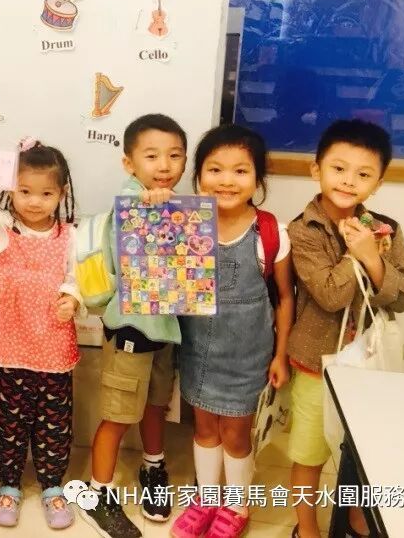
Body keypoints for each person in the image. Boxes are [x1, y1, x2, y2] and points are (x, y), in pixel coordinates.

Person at [286, 120, 404, 538]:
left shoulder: (386, 229)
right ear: (317, 170)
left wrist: (373, 257)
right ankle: (306, 526)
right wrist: (355, 255)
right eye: (339, 168)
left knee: (362, 450)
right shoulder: (302, 230)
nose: (348, 181)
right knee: (309, 453)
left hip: (368, 362)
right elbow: (329, 295)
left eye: (363, 174)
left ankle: (358, 521)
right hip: (315, 363)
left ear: (377, 183)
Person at [171, 125, 295, 538]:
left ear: (258, 179)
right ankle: (207, 500)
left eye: (240, 171)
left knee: (236, 435)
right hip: (197, 350)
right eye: (215, 169)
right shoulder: (183, 223)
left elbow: (285, 298)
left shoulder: (271, 233)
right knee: (204, 429)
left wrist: (280, 356)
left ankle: (237, 506)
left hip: (247, 357)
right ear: (198, 176)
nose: (226, 180)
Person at [79, 113, 188, 538]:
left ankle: (152, 468)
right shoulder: (132, 204)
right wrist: (153, 209)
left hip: (163, 327)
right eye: (152, 155)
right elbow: (133, 252)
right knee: (118, 415)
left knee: (156, 404)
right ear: (129, 163)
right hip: (131, 329)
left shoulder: (175, 205)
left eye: (175, 155)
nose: (164, 165)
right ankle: (97, 494)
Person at [0, 138, 81, 530]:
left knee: (55, 421)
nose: (34, 201)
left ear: (60, 193)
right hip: (12, 342)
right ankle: (9, 484)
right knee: (10, 420)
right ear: (11, 189)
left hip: (53, 342)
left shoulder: (70, 235)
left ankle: (52, 485)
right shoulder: (2, 227)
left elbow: (76, 279)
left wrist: (72, 300)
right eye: (25, 191)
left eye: (46, 193)